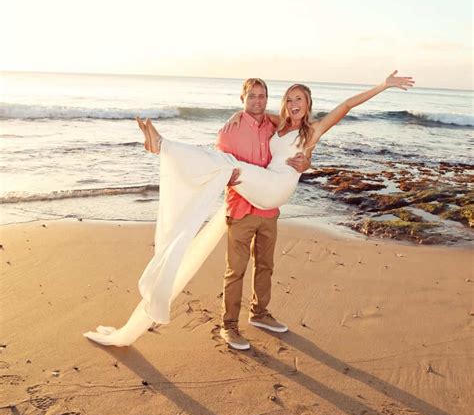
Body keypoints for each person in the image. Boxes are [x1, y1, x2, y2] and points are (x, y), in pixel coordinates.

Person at [84, 70, 414, 347]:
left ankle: (164, 147)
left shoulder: (311, 131)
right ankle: (163, 147)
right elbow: (250, 114)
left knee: (230, 171)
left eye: (300, 99)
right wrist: (238, 115)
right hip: (253, 198)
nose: (294, 104)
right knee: (226, 167)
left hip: (275, 191)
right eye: (290, 98)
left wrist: (383, 86)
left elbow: (345, 105)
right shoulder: (274, 124)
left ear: (309, 105)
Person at [215, 78, 310, 351]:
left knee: (265, 265)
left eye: (262, 96)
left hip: (268, 209)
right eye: (252, 96)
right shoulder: (229, 131)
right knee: (236, 270)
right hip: (241, 208)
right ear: (242, 99)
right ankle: (229, 325)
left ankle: (259, 313)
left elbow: (296, 144)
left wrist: (306, 162)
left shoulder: (274, 126)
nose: (257, 101)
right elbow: (220, 166)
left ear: (268, 99)